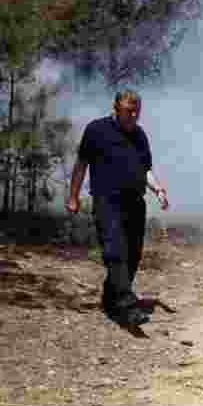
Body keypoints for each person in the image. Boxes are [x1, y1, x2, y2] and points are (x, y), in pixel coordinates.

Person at [65, 90, 170, 326]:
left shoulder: (140, 135)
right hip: (107, 201)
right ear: (116, 108)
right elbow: (82, 164)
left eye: (137, 111)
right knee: (115, 251)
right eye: (128, 111)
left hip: (135, 202)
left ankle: (111, 295)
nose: (133, 116)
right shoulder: (96, 130)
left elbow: (146, 170)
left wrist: (159, 190)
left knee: (133, 255)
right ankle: (127, 306)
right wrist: (73, 196)